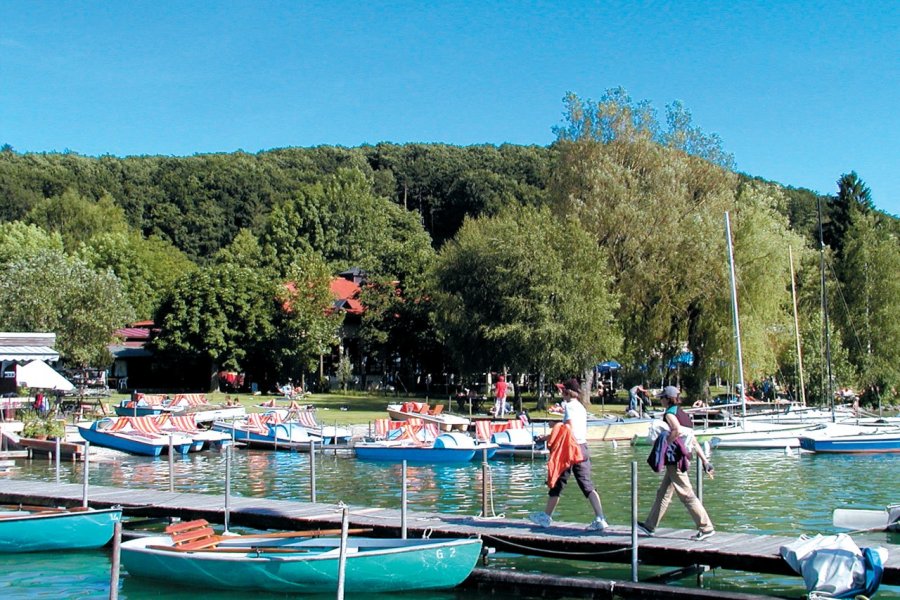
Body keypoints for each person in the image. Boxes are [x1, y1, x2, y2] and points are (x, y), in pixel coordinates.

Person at [529, 377, 609, 531]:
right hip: (582, 447)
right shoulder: (580, 406)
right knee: (586, 484)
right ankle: (600, 517)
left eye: (562, 390)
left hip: (570, 449)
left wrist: (552, 430)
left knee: (558, 481)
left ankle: (546, 517)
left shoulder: (569, 407)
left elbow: (568, 429)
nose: (560, 392)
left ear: (566, 392)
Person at [638, 385, 716, 541]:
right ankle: (650, 526)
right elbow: (692, 440)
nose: (660, 400)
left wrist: (663, 445)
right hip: (682, 458)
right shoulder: (683, 414)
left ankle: (706, 527)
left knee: (686, 494)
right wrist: (705, 461)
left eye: (662, 397)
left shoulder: (670, 414)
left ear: (668, 399)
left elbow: (676, 430)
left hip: (675, 460)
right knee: (663, 493)